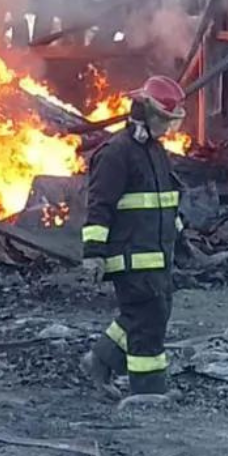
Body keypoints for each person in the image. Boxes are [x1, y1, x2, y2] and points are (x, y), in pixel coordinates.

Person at [79, 75, 186, 402]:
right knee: (148, 322)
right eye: (163, 120)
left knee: (145, 314)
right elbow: (99, 206)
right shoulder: (116, 153)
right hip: (131, 256)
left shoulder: (154, 152)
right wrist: (94, 253)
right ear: (144, 113)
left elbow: (164, 201)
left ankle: (100, 360)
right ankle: (148, 393)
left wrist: (181, 239)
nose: (167, 128)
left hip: (156, 255)